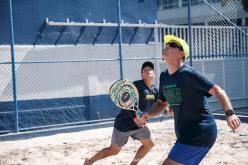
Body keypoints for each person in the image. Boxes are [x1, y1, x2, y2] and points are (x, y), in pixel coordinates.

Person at [138, 35, 241, 165]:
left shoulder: (189, 74)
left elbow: (218, 90)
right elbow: (161, 103)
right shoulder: (164, 76)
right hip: (184, 134)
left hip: (200, 131)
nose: (166, 47)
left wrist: (230, 113)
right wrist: (147, 115)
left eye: (172, 45)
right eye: (166, 45)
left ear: (182, 53)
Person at [84, 61, 159, 165]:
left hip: (140, 125)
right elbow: (125, 102)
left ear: (154, 73)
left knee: (149, 144)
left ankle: (134, 163)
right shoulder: (136, 86)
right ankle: (89, 161)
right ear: (141, 74)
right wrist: (134, 117)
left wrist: (167, 109)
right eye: (144, 70)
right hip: (123, 125)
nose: (147, 71)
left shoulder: (155, 90)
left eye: (150, 69)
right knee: (114, 151)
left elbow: (157, 105)